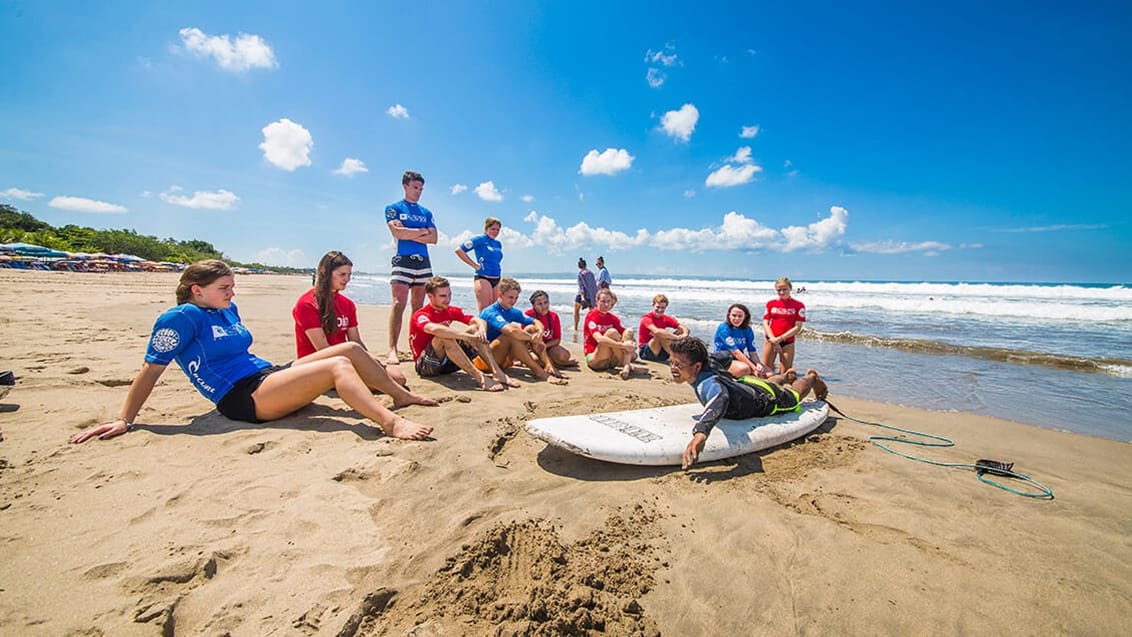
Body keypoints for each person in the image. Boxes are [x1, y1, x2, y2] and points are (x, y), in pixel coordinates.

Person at [70, 260, 435, 444]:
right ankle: (391, 424)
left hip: (266, 375)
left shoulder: (226, 309)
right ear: (197, 290)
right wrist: (125, 419)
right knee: (338, 364)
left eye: (232, 285)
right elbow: (150, 371)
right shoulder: (180, 318)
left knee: (351, 348)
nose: (232, 292)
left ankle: (401, 398)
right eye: (224, 287)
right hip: (242, 397)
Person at [668, 336, 827, 470]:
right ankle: (785, 377)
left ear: (697, 367)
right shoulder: (708, 361)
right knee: (769, 385)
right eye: (671, 363)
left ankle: (811, 378)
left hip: (765, 399)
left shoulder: (709, 384)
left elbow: (720, 400)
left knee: (793, 397)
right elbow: (726, 355)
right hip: (746, 384)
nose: (673, 368)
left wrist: (700, 434)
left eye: (678, 365)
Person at [292, 251, 410, 388]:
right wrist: (359, 365)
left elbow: (355, 341)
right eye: (342, 275)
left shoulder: (347, 304)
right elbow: (323, 349)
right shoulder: (307, 304)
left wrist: (371, 361)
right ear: (325, 272)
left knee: (398, 377)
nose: (347, 279)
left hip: (344, 360)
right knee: (394, 381)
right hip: (317, 367)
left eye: (349, 275)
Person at [408, 276, 510, 392]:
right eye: (443, 296)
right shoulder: (421, 314)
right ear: (430, 296)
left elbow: (477, 319)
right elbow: (434, 329)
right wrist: (466, 336)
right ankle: (480, 378)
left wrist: (481, 329)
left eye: (449, 295)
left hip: (447, 363)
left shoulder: (450, 310)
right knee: (444, 336)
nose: (447, 299)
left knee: (474, 329)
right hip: (426, 366)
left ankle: (497, 372)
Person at [385, 170, 438, 365]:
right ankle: (392, 349)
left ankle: (416, 346)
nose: (418, 191)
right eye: (415, 187)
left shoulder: (426, 212)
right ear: (405, 186)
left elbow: (434, 238)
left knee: (419, 308)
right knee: (399, 304)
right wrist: (421, 231)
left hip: (423, 261)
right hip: (403, 259)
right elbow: (396, 232)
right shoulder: (394, 208)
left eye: (421, 189)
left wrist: (410, 232)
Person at [476, 278, 567, 384]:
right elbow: (510, 331)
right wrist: (531, 339)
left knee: (531, 329)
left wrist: (539, 333)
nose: (514, 301)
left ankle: (548, 365)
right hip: (484, 360)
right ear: (500, 294)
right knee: (511, 334)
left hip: (504, 359)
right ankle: (540, 372)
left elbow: (536, 322)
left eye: (516, 298)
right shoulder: (490, 312)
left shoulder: (512, 311)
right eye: (510, 297)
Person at [583, 288, 637, 379]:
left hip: (611, 360)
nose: (606, 304)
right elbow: (599, 339)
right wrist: (623, 346)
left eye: (608, 301)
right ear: (597, 301)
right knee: (612, 332)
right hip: (595, 358)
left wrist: (633, 344)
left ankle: (626, 366)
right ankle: (627, 364)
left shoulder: (613, 318)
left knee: (629, 331)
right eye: (603, 301)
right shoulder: (591, 316)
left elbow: (626, 334)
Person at [454, 216, 504, 312]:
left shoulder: (498, 244)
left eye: (498, 230)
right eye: (492, 229)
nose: (495, 232)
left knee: (496, 311)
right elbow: (459, 250)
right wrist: (474, 265)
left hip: (497, 278)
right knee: (485, 311)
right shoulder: (479, 239)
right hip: (483, 278)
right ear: (486, 228)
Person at [712, 303, 771, 378]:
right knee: (745, 369)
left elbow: (752, 352)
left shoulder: (747, 329)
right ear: (729, 315)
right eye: (734, 315)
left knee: (769, 374)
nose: (736, 319)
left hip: (739, 358)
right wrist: (753, 367)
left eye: (740, 316)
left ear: (745, 317)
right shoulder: (724, 328)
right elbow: (736, 352)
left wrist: (757, 364)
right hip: (724, 359)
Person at [762, 276, 806, 374]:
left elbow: (797, 327)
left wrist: (780, 339)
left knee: (785, 374)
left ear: (790, 288)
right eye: (779, 290)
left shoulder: (799, 305)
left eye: (784, 289)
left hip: (787, 342)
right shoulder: (771, 304)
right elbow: (765, 323)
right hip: (771, 341)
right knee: (766, 371)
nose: (782, 292)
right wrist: (773, 339)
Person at [526, 290, 578, 372]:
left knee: (564, 355)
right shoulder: (528, 315)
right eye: (539, 304)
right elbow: (525, 337)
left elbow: (557, 340)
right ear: (533, 305)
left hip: (548, 347)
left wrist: (544, 346)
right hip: (533, 349)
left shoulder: (554, 316)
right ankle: (555, 364)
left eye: (546, 302)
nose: (544, 306)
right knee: (534, 360)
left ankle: (551, 362)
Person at [637, 294, 689, 362]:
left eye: (662, 308)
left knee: (680, 331)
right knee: (660, 335)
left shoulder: (665, 318)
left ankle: (678, 354)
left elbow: (683, 327)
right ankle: (676, 358)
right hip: (647, 351)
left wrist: (684, 334)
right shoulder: (646, 318)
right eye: (658, 307)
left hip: (661, 351)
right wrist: (675, 337)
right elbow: (657, 331)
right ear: (653, 305)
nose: (660, 310)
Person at [573, 257, 598, 331]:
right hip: (591, 296)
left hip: (582, 295)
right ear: (586, 265)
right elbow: (594, 285)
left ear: (579, 266)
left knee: (576, 311)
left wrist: (583, 297)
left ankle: (576, 328)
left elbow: (581, 287)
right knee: (591, 314)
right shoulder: (591, 273)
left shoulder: (580, 274)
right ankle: (590, 329)